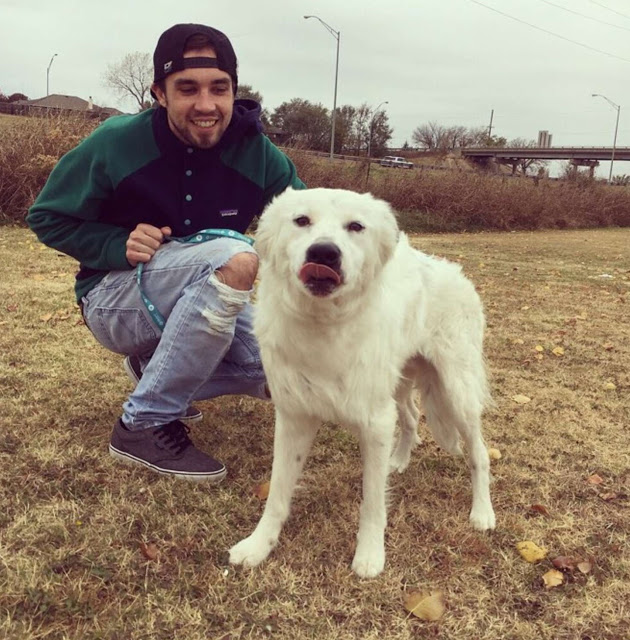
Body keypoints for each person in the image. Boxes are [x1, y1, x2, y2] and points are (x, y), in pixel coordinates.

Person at [27, 23, 305, 483]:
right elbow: (47, 217)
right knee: (234, 255)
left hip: (207, 294)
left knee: (287, 372)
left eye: (220, 89)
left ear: (235, 90)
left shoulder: (257, 152)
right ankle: (144, 423)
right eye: (187, 89)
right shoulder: (116, 142)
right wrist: (115, 244)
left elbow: (307, 222)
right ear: (159, 93)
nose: (206, 105)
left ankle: (152, 369)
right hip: (114, 299)